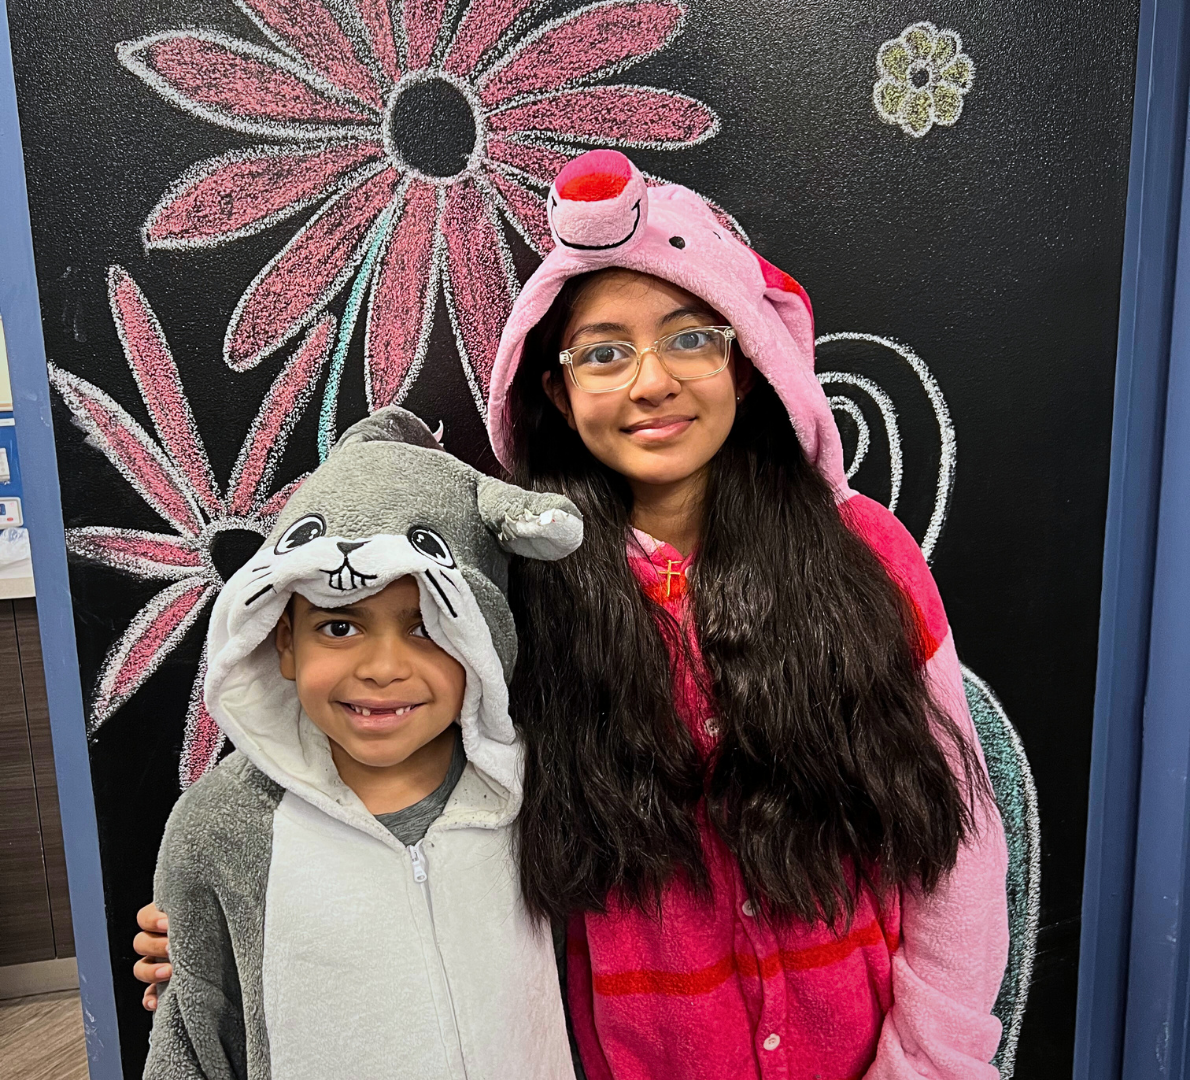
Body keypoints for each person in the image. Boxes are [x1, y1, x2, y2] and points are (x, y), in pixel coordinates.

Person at [138, 149, 1010, 1080]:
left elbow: (957, 836)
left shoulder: (863, 553)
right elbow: (404, 769)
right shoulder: (525, 583)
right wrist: (227, 902)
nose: (651, 382)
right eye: (603, 353)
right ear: (556, 389)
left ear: (747, 363)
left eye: (691, 339)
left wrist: (931, 1057)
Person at [141, 407, 581, 1079]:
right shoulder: (219, 829)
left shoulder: (539, 791)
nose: (382, 669)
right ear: (283, 641)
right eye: (339, 627)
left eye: (427, 626)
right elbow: (191, 1041)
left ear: (480, 641)